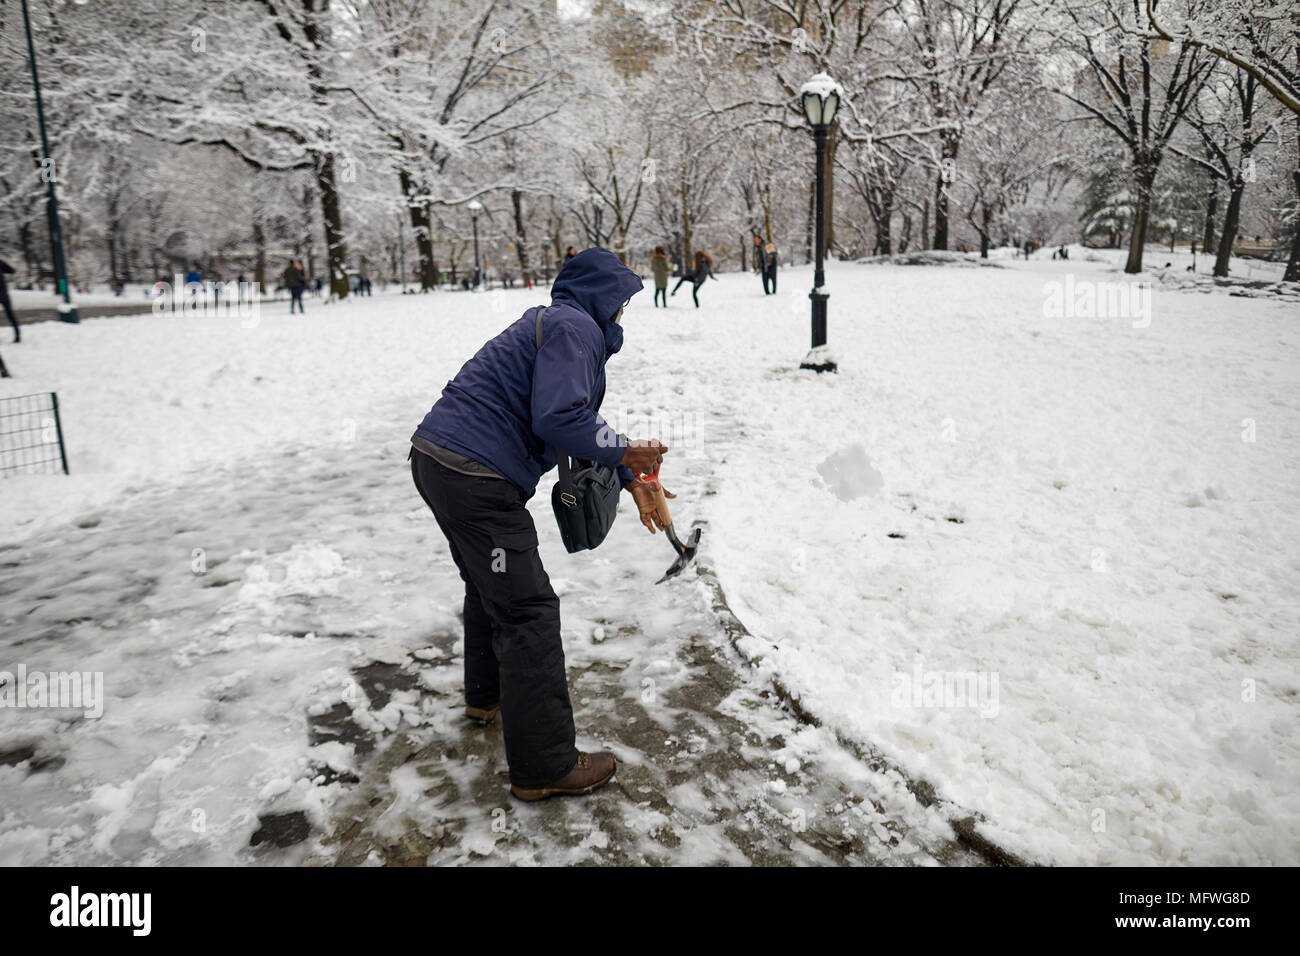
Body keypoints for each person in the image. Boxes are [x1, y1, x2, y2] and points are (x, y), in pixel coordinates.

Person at [409, 247, 672, 802]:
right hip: (478, 477)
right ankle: (545, 765)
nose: (624, 311)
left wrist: (628, 478)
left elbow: (568, 422)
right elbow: (560, 418)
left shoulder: (558, 322)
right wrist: (628, 453)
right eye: (621, 300)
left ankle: (486, 696)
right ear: (603, 298)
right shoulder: (576, 329)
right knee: (528, 611)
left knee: (490, 586)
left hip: (438, 461)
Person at [0, 258, 19, 343]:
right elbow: (11, 270)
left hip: (3, 292)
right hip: (3, 293)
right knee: (10, 314)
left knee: (10, 314)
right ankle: (18, 335)